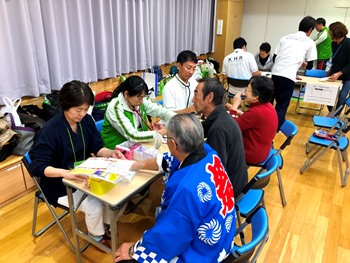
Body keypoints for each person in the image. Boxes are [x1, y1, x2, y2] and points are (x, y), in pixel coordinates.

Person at [114, 114, 236, 263]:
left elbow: (169, 237)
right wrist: (134, 165)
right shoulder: (209, 153)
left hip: (205, 253)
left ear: (173, 145)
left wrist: (134, 250)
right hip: (224, 237)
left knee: (123, 259)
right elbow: (167, 160)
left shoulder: (187, 189)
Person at [29, 80, 125, 249]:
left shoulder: (86, 121)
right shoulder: (50, 130)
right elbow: (37, 166)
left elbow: (97, 147)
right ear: (66, 105)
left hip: (85, 175)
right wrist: (65, 173)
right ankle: (95, 236)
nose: (82, 114)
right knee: (95, 204)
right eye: (78, 110)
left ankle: (105, 225)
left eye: (86, 109)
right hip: (58, 183)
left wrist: (111, 153)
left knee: (113, 194)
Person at [192, 78, 248, 197]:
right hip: (238, 181)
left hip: (230, 190)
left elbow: (216, 171)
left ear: (209, 97)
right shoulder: (220, 115)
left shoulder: (218, 129)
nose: (193, 99)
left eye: (196, 93)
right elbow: (200, 129)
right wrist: (170, 130)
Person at [101, 75, 176, 149]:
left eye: (143, 97)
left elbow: (162, 111)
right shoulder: (115, 107)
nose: (142, 100)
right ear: (126, 94)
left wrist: (179, 121)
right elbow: (132, 136)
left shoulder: (140, 101)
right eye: (139, 97)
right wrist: (158, 133)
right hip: (116, 150)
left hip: (138, 147)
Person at [271, 16, 317, 130]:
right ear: (310, 30)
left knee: (269, 104)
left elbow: (275, 58)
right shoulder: (310, 42)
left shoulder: (285, 37)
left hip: (275, 74)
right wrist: (302, 62)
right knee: (281, 107)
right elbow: (310, 66)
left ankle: (265, 128)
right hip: (288, 77)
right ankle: (273, 131)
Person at [226, 76, 278, 164]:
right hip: (263, 151)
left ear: (256, 97)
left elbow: (231, 127)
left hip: (250, 155)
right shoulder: (268, 106)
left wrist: (234, 107)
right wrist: (239, 113)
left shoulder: (255, 112)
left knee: (218, 143)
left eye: (247, 90)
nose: (244, 91)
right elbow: (255, 121)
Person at [327, 21, 350, 113]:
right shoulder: (334, 43)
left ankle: (335, 116)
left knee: (342, 96)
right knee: (328, 93)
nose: (329, 34)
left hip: (347, 75)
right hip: (335, 72)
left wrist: (340, 73)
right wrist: (330, 69)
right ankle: (331, 112)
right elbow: (335, 58)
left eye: (330, 32)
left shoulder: (348, 44)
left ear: (336, 33)